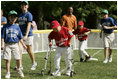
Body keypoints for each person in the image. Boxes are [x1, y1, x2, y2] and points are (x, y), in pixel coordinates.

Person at [1, 10, 27, 79]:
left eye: (14, 17)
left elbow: (20, 37)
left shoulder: (17, 27)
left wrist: (23, 45)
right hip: (7, 45)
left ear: (16, 18)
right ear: (9, 18)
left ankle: (18, 69)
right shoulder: (5, 26)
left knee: (18, 58)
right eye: (11, 17)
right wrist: (2, 44)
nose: (13, 19)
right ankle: (8, 73)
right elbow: (2, 36)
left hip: (15, 45)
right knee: (8, 59)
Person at [18, 1, 37, 70]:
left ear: (27, 6)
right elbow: (19, 26)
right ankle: (20, 65)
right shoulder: (19, 15)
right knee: (19, 50)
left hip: (28, 35)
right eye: (22, 5)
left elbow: (29, 25)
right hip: (20, 35)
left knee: (29, 50)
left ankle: (33, 63)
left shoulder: (29, 14)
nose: (23, 6)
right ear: (21, 6)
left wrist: (26, 35)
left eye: (25, 5)